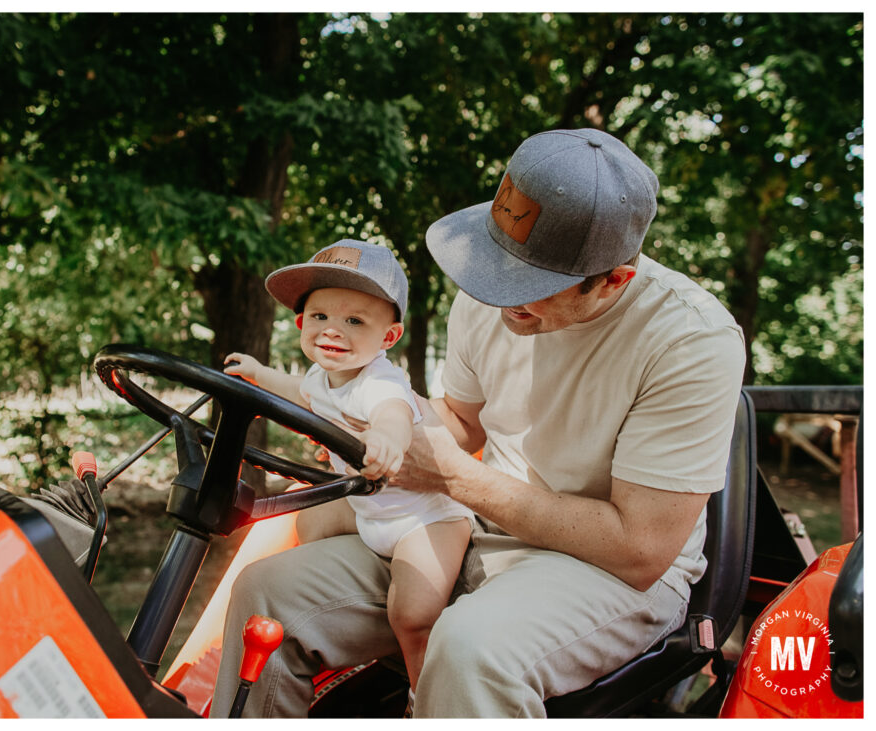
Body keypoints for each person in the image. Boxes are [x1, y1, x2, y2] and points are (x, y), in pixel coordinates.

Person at [209, 128, 746, 718]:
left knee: (470, 650)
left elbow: (639, 549)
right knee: (267, 592)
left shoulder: (690, 341)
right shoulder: (490, 297)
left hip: (608, 572)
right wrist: (375, 439)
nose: (501, 295)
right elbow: (459, 423)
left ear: (615, 279)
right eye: (498, 265)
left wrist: (452, 478)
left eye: (531, 284)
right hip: (472, 528)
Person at [222, 239, 473, 706]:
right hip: (369, 509)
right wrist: (257, 373)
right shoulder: (323, 376)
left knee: (412, 612)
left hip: (424, 520)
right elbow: (299, 391)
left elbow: (394, 414)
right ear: (301, 323)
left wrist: (386, 440)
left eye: (355, 321)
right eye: (320, 317)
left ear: (388, 338)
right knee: (303, 522)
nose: (333, 330)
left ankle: (425, 697)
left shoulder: (378, 381)